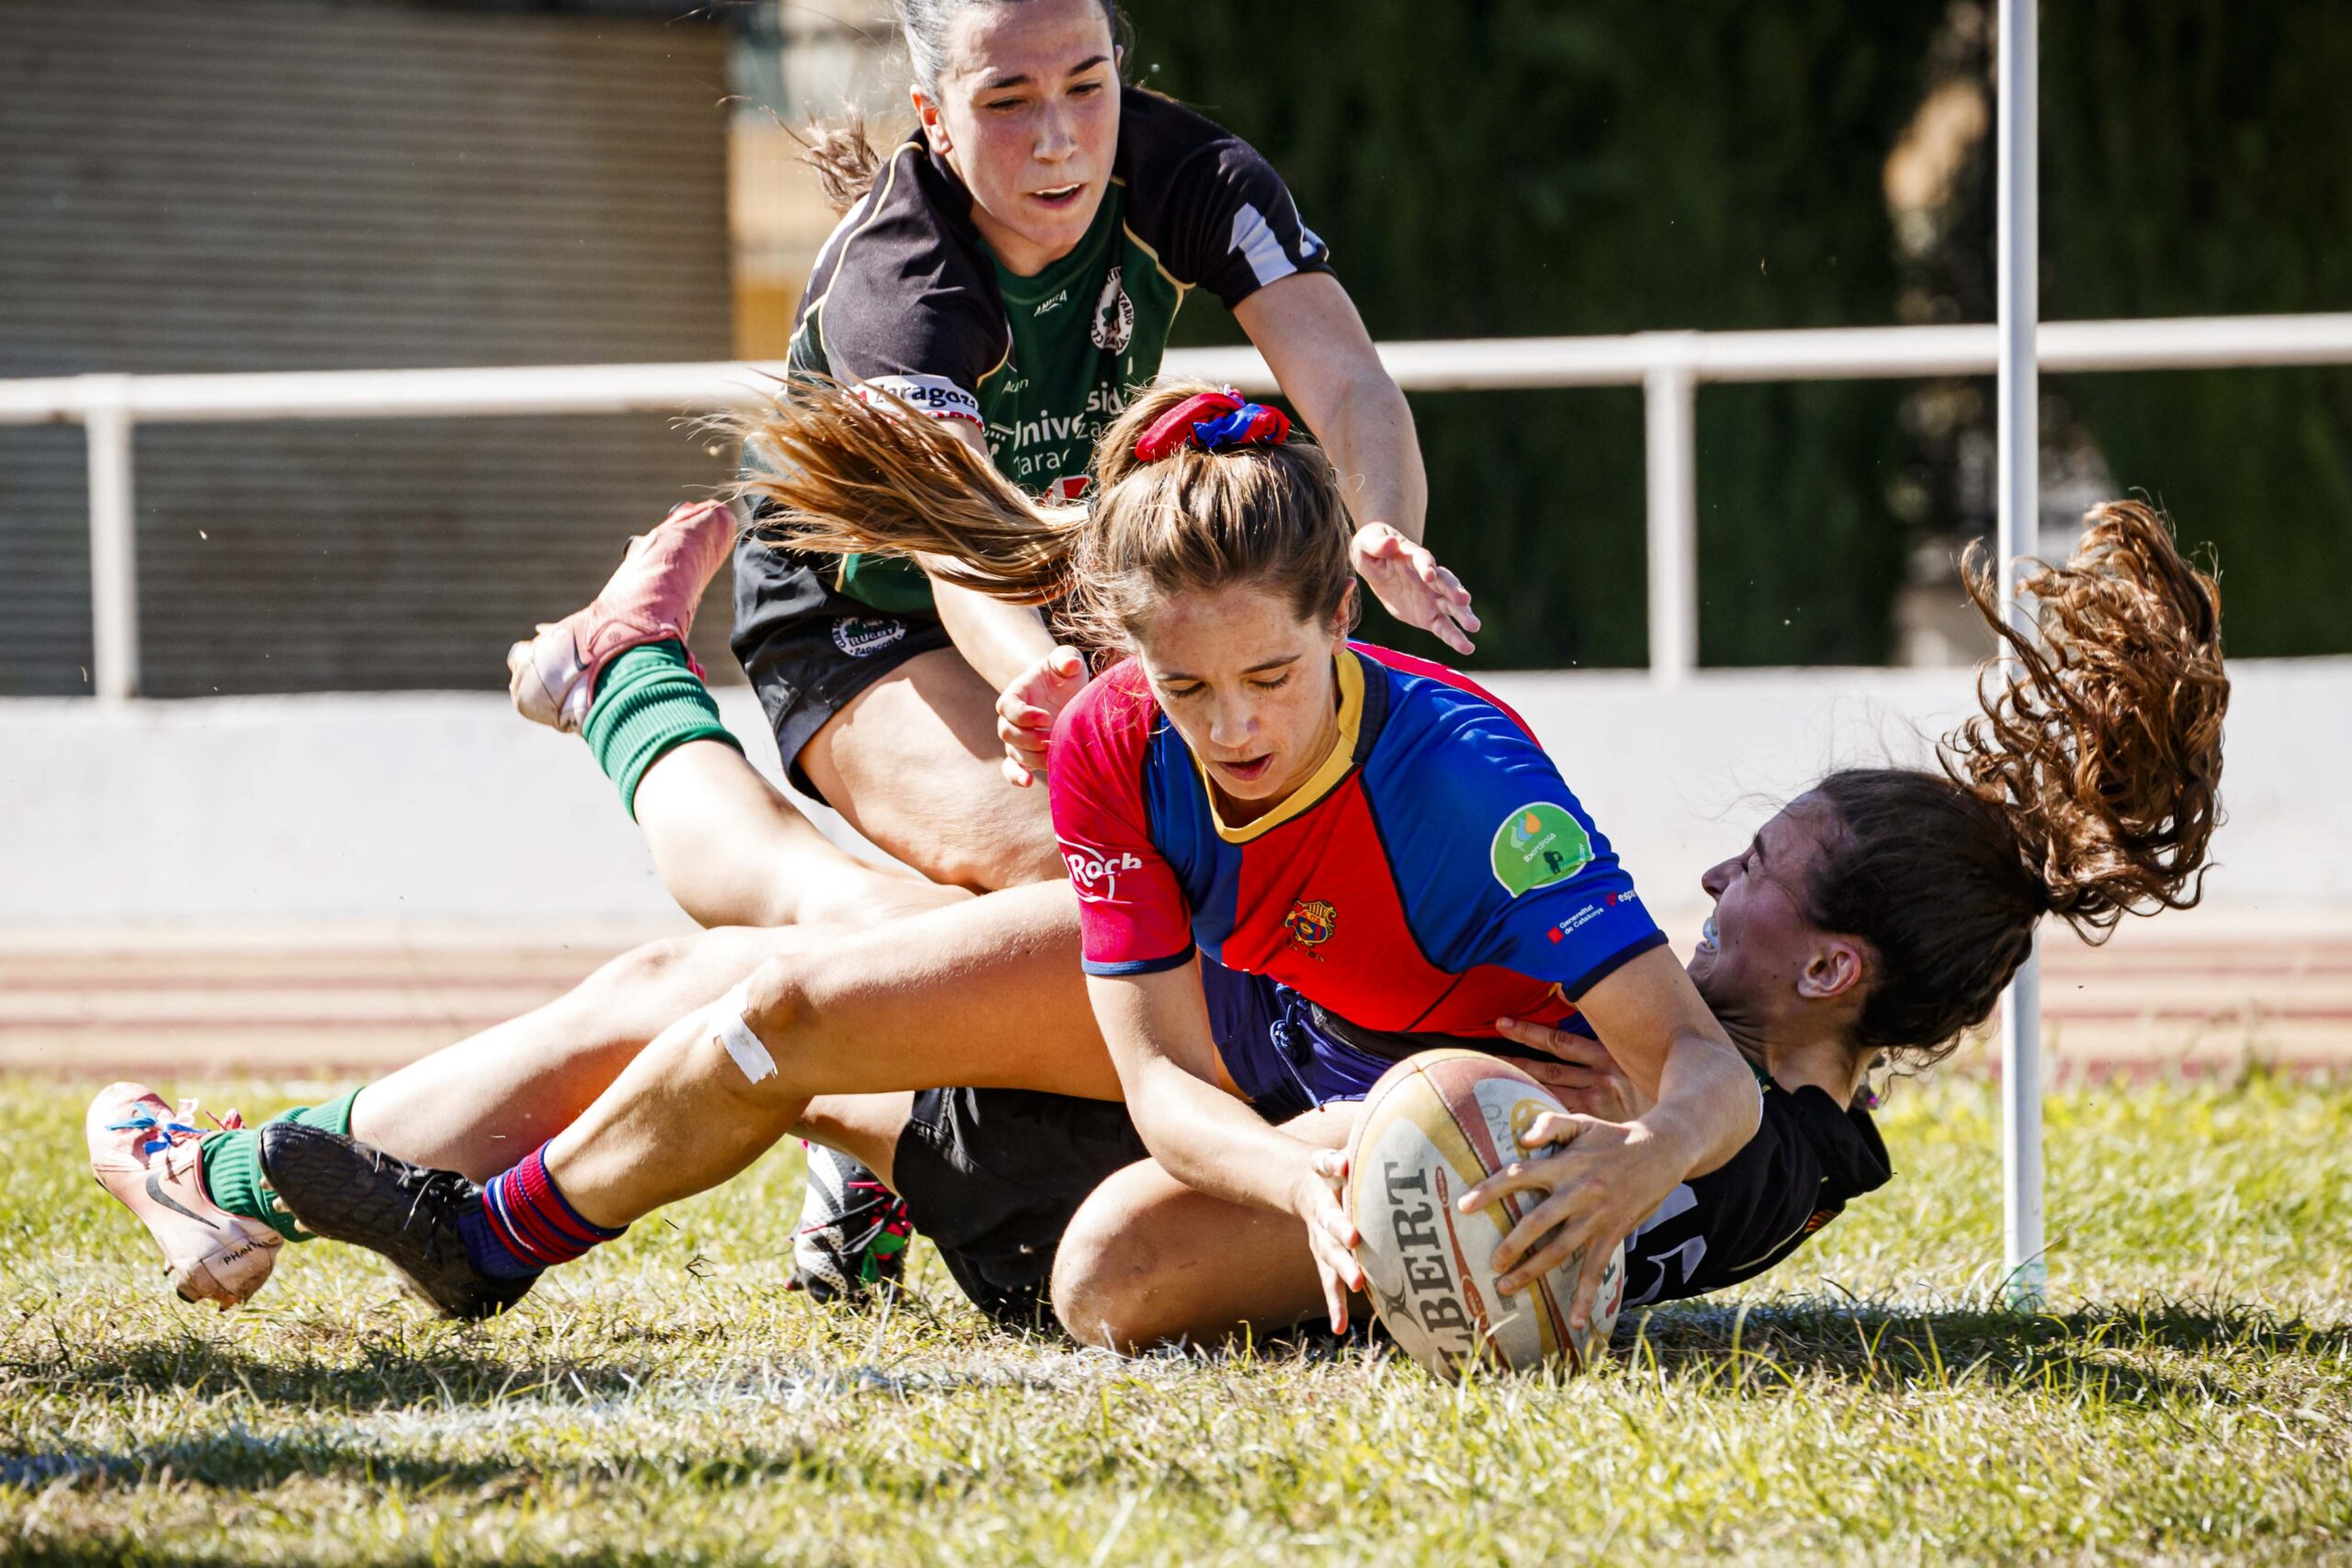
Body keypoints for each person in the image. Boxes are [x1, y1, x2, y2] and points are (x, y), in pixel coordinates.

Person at [89, 380, 2222, 1345]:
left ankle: (602, 723)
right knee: (761, 953)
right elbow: (1183, 1051)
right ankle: (319, 1150)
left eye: (1759, 865)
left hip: (1249, 1077)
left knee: (747, 963)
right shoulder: (1173, 731)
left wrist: (1403, 1178)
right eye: (1181, 686)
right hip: (1236, 1043)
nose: (1713, 869)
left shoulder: (1488, 811)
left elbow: (1681, 1092)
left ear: (1834, 962)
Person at [500, 0, 1476, 1291]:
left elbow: (1343, 377)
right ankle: (628, 683)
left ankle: (854, 1106)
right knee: (1022, 879)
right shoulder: (899, 276)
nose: (1062, 138)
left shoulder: (1187, 174)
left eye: (1087, 84)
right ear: (934, 117)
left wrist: (1378, 531)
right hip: (861, 595)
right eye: (1008, 101)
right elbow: (957, 554)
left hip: (1055, 569)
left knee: (952, 930)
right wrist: (1043, 681)